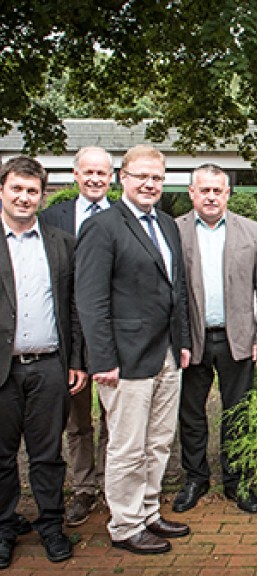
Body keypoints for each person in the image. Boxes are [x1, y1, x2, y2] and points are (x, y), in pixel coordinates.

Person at [76, 144, 192, 555]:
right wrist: (102, 359)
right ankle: (124, 524)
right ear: (121, 177)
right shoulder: (103, 226)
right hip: (123, 358)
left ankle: (147, 513)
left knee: (159, 441)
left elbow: (176, 290)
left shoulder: (166, 224)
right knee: (127, 445)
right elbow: (90, 300)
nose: (150, 184)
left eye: (157, 178)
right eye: (142, 176)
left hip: (166, 353)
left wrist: (183, 343)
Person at [173, 164, 257, 514]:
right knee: (191, 414)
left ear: (228, 193)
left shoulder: (251, 231)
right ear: (192, 193)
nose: (211, 196)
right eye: (205, 190)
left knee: (237, 414)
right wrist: (177, 340)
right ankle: (195, 478)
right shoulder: (175, 231)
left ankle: (237, 481)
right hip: (192, 342)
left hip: (239, 340)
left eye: (218, 190)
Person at [0, 157, 87, 568]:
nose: (24, 197)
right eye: (17, 188)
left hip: (51, 366)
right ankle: (3, 529)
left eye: (32, 191)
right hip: (4, 369)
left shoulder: (59, 242)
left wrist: (78, 361)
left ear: (42, 195)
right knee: (2, 457)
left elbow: (73, 307)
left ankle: (51, 526)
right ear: (3, 190)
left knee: (47, 455)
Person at [39, 146, 112, 527]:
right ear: (76, 175)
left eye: (103, 172)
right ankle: (83, 488)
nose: (96, 179)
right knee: (78, 422)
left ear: (112, 177)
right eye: (89, 172)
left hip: (112, 338)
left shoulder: (123, 217)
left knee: (116, 420)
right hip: (68, 338)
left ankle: (111, 486)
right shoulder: (50, 218)